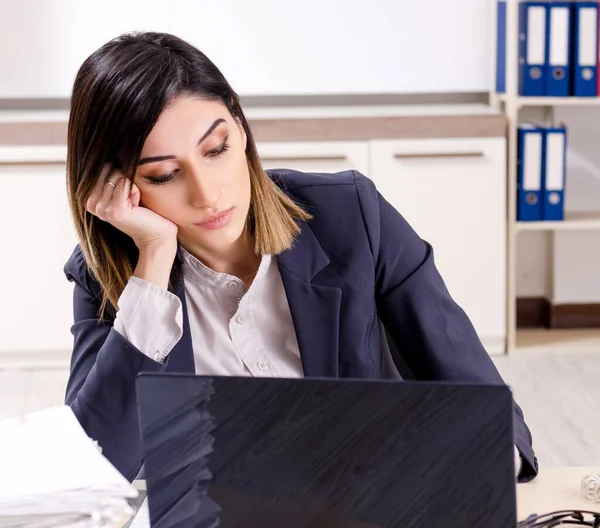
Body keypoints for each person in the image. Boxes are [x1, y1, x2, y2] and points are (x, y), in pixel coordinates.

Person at [63, 31, 537, 484]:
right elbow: (91, 470)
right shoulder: (110, 277)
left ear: (241, 128)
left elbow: (484, 402)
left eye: (217, 149)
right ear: (117, 189)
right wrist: (153, 259)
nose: (208, 195)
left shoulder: (352, 215)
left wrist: (478, 472)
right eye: (165, 174)